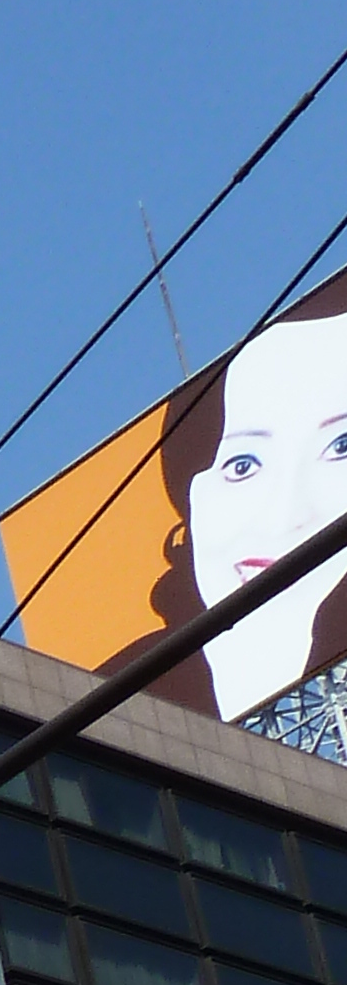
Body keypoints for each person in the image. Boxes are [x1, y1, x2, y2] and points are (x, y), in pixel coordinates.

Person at [150, 268, 347, 724]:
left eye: (341, 447)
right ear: (189, 507)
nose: (284, 513)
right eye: (243, 465)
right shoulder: (109, 719)